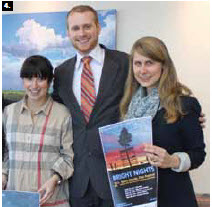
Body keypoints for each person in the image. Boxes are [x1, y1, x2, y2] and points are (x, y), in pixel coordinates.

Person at [52, 5, 129, 207]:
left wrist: (184, 113)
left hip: (118, 175)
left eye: (87, 26)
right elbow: (53, 113)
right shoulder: (61, 73)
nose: (82, 33)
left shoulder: (124, 62)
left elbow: (151, 93)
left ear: (98, 27)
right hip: (78, 179)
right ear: (68, 33)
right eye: (75, 28)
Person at [120, 36, 206, 207]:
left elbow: (198, 154)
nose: (142, 70)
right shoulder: (128, 105)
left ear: (164, 66)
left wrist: (172, 161)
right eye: (138, 64)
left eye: (149, 63)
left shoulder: (184, 104)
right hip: (137, 198)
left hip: (173, 198)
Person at [2, 55, 74, 207]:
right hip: (15, 200)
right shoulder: (8, 113)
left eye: (40, 79)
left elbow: (68, 156)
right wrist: (3, 174)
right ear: (23, 80)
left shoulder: (63, 114)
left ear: (49, 82)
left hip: (51, 200)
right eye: (29, 79)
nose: (34, 86)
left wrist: (55, 179)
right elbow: (7, 153)